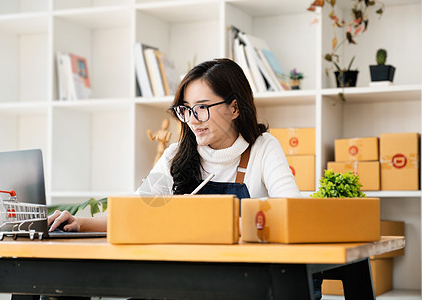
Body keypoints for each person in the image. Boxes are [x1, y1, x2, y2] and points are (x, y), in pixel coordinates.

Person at [48, 58, 321, 300]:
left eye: (202, 108)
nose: (192, 119)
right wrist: (80, 223)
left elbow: (291, 211)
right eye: (185, 109)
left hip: (243, 282)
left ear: (234, 108)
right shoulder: (176, 154)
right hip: (182, 281)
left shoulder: (263, 148)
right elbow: (137, 212)